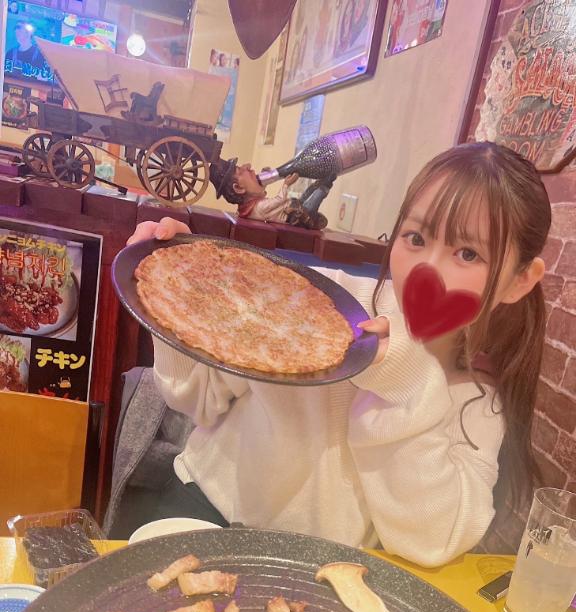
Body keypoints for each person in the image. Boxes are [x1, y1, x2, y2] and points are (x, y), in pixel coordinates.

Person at [124, 141, 549, 567]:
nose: (427, 270)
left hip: (317, 570)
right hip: (205, 511)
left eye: (468, 254)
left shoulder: (477, 402)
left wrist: (407, 379)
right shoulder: (318, 302)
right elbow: (198, 398)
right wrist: (178, 297)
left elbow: (432, 541)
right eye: (416, 238)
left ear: (520, 280)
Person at [208, 158, 331, 229]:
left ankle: (322, 183)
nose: (249, 167)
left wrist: (264, 181)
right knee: (314, 199)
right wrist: (286, 184)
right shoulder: (259, 208)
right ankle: (326, 184)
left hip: (294, 207)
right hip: (297, 217)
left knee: (309, 192)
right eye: (240, 170)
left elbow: (258, 193)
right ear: (239, 188)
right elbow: (278, 200)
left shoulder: (250, 207)